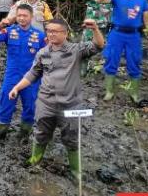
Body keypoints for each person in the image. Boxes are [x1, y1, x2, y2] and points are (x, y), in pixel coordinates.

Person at [8, 19, 105, 179]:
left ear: (65, 33)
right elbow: (32, 74)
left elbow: (98, 45)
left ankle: (75, 171)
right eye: (49, 31)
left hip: (71, 105)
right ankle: (35, 161)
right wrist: (17, 87)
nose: (51, 34)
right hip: (46, 103)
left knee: (71, 139)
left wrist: (95, 28)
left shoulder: (76, 50)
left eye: (55, 31)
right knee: (41, 134)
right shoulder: (43, 53)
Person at [0, 4, 46, 140]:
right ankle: (2, 132)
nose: (22, 18)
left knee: (30, 106)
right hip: (12, 75)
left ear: (31, 17)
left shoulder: (40, 36)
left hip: (32, 77)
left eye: (25, 15)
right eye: (19, 15)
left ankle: (24, 134)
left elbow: (49, 56)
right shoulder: (9, 32)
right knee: (6, 103)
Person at [97, 0, 148, 103]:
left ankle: (134, 93)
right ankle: (109, 91)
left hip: (134, 35)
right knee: (111, 60)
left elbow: (147, 19)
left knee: (134, 62)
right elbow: (99, 0)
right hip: (117, 34)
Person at [76, 0, 112, 76]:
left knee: (105, 46)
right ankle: (83, 68)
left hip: (105, 23)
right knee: (85, 44)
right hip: (90, 23)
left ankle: (103, 68)